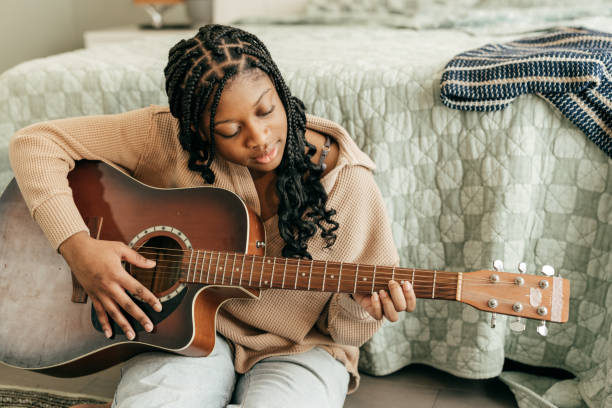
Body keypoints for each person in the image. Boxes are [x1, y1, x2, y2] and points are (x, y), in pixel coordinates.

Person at [9, 24, 416, 408]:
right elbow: (35, 142)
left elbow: (344, 332)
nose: (259, 138)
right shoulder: (163, 134)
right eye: (228, 130)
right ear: (196, 129)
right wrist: (78, 247)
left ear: (280, 89)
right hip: (183, 332)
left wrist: (360, 308)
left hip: (302, 347)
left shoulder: (351, 185)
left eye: (266, 110)